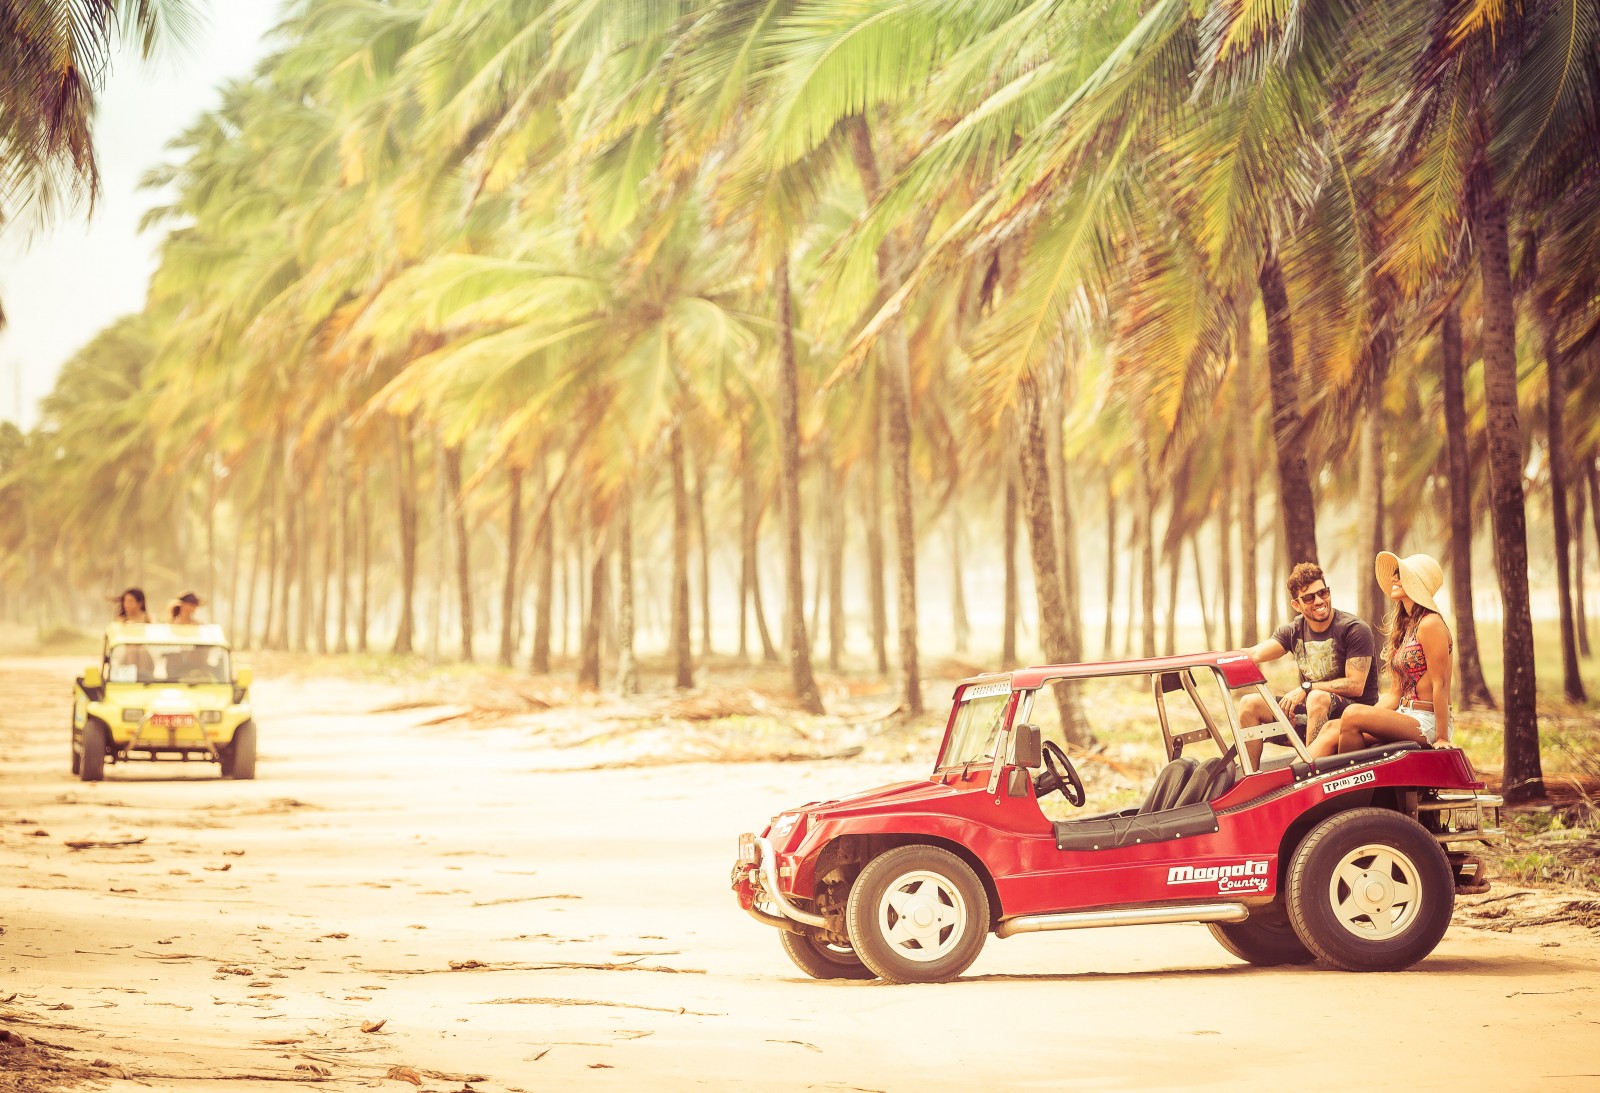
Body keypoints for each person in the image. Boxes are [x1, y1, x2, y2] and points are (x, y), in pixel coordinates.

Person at [1310, 552, 1452, 756]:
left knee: (1352, 713)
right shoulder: (1407, 628)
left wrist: (1442, 737)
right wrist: (1368, 716)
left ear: (1416, 583)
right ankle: (1294, 779)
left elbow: (1441, 683)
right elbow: (1395, 694)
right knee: (1333, 728)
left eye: (1400, 575)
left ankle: (1343, 786)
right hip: (1405, 713)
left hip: (1427, 721)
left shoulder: (1431, 624)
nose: (1394, 578)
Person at [1239, 562, 1379, 765]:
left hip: (1355, 720)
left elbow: (1356, 686)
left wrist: (1307, 688)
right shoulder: (1294, 630)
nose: (1319, 600)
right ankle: (1249, 782)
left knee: (1316, 697)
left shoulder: (1354, 629)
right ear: (1296, 604)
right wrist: (1215, 658)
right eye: (1309, 597)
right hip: (1314, 716)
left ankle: (1306, 774)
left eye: (1323, 593)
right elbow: (1254, 653)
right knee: (1249, 704)